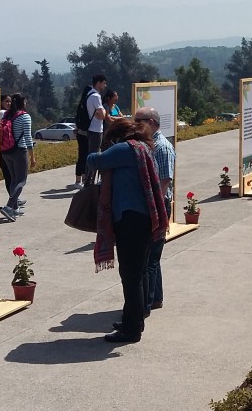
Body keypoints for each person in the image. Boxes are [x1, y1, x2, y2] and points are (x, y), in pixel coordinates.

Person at [88, 117, 168, 344]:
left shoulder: (124, 149)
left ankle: (131, 330)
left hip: (130, 220)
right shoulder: (143, 147)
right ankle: (134, 319)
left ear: (118, 135)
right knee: (139, 272)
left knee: (130, 276)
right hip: (143, 219)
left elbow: (94, 160)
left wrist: (102, 147)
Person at [134, 107, 174, 318]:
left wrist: (154, 210)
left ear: (150, 122)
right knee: (152, 257)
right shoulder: (148, 145)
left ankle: (147, 303)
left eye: (138, 120)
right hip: (154, 205)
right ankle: (155, 297)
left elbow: (165, 181)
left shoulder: (162, 147)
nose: (135, 124)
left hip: (158, 206)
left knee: (150, 257)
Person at [1, 93, 36, 220]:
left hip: (5, 152)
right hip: (19, 151)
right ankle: (9, 207)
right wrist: (32, 157)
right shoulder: (25, 116)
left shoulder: (7, 114)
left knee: (14, 179)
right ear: (23, 102)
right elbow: (28, 138)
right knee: (21, 180)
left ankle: (14, 208)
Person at [74, 74, 107, 189]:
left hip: (91, 129)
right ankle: (89, 182)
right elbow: (102, 115)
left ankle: (88, 180)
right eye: (103, 83)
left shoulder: (88, 94)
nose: (105, 85)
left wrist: (100, 112)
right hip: (96, 130)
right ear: (98, 83)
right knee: (93, 156)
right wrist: (102, 111)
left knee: (91, 155)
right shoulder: (96, 96)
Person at [0, 95, 13, 196]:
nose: (9, 104)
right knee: (9, 174)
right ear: (1, 102)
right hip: (4, 149)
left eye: (10, 101)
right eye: (6, 101)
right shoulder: (3, 113)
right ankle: (13, 197)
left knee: (8, 174)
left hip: (2, 148)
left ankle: (13, 196)